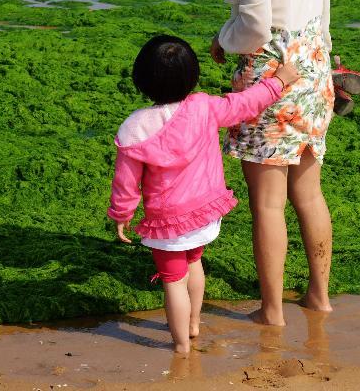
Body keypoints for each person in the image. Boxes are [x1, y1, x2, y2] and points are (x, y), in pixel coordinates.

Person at [183, 0, 335, 327]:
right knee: (308, 193)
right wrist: (323, 60)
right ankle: (319, 296)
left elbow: (253, 28)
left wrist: (222, 39)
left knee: (267, 204)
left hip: (270, 77)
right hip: (313, 64)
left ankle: (272, 311)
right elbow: (323, 3)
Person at [109, 35, 299, 353]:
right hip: (204, 213)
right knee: (195, 263)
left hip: (167, 222)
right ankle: (195, 324)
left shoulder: (135, 127)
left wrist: (121, 214)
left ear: (141, 80)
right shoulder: (204, 108)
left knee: (173, 280)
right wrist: (278, 81)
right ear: (192, 77)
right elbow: (245, 104)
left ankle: (181, 344)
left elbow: (126, 182)